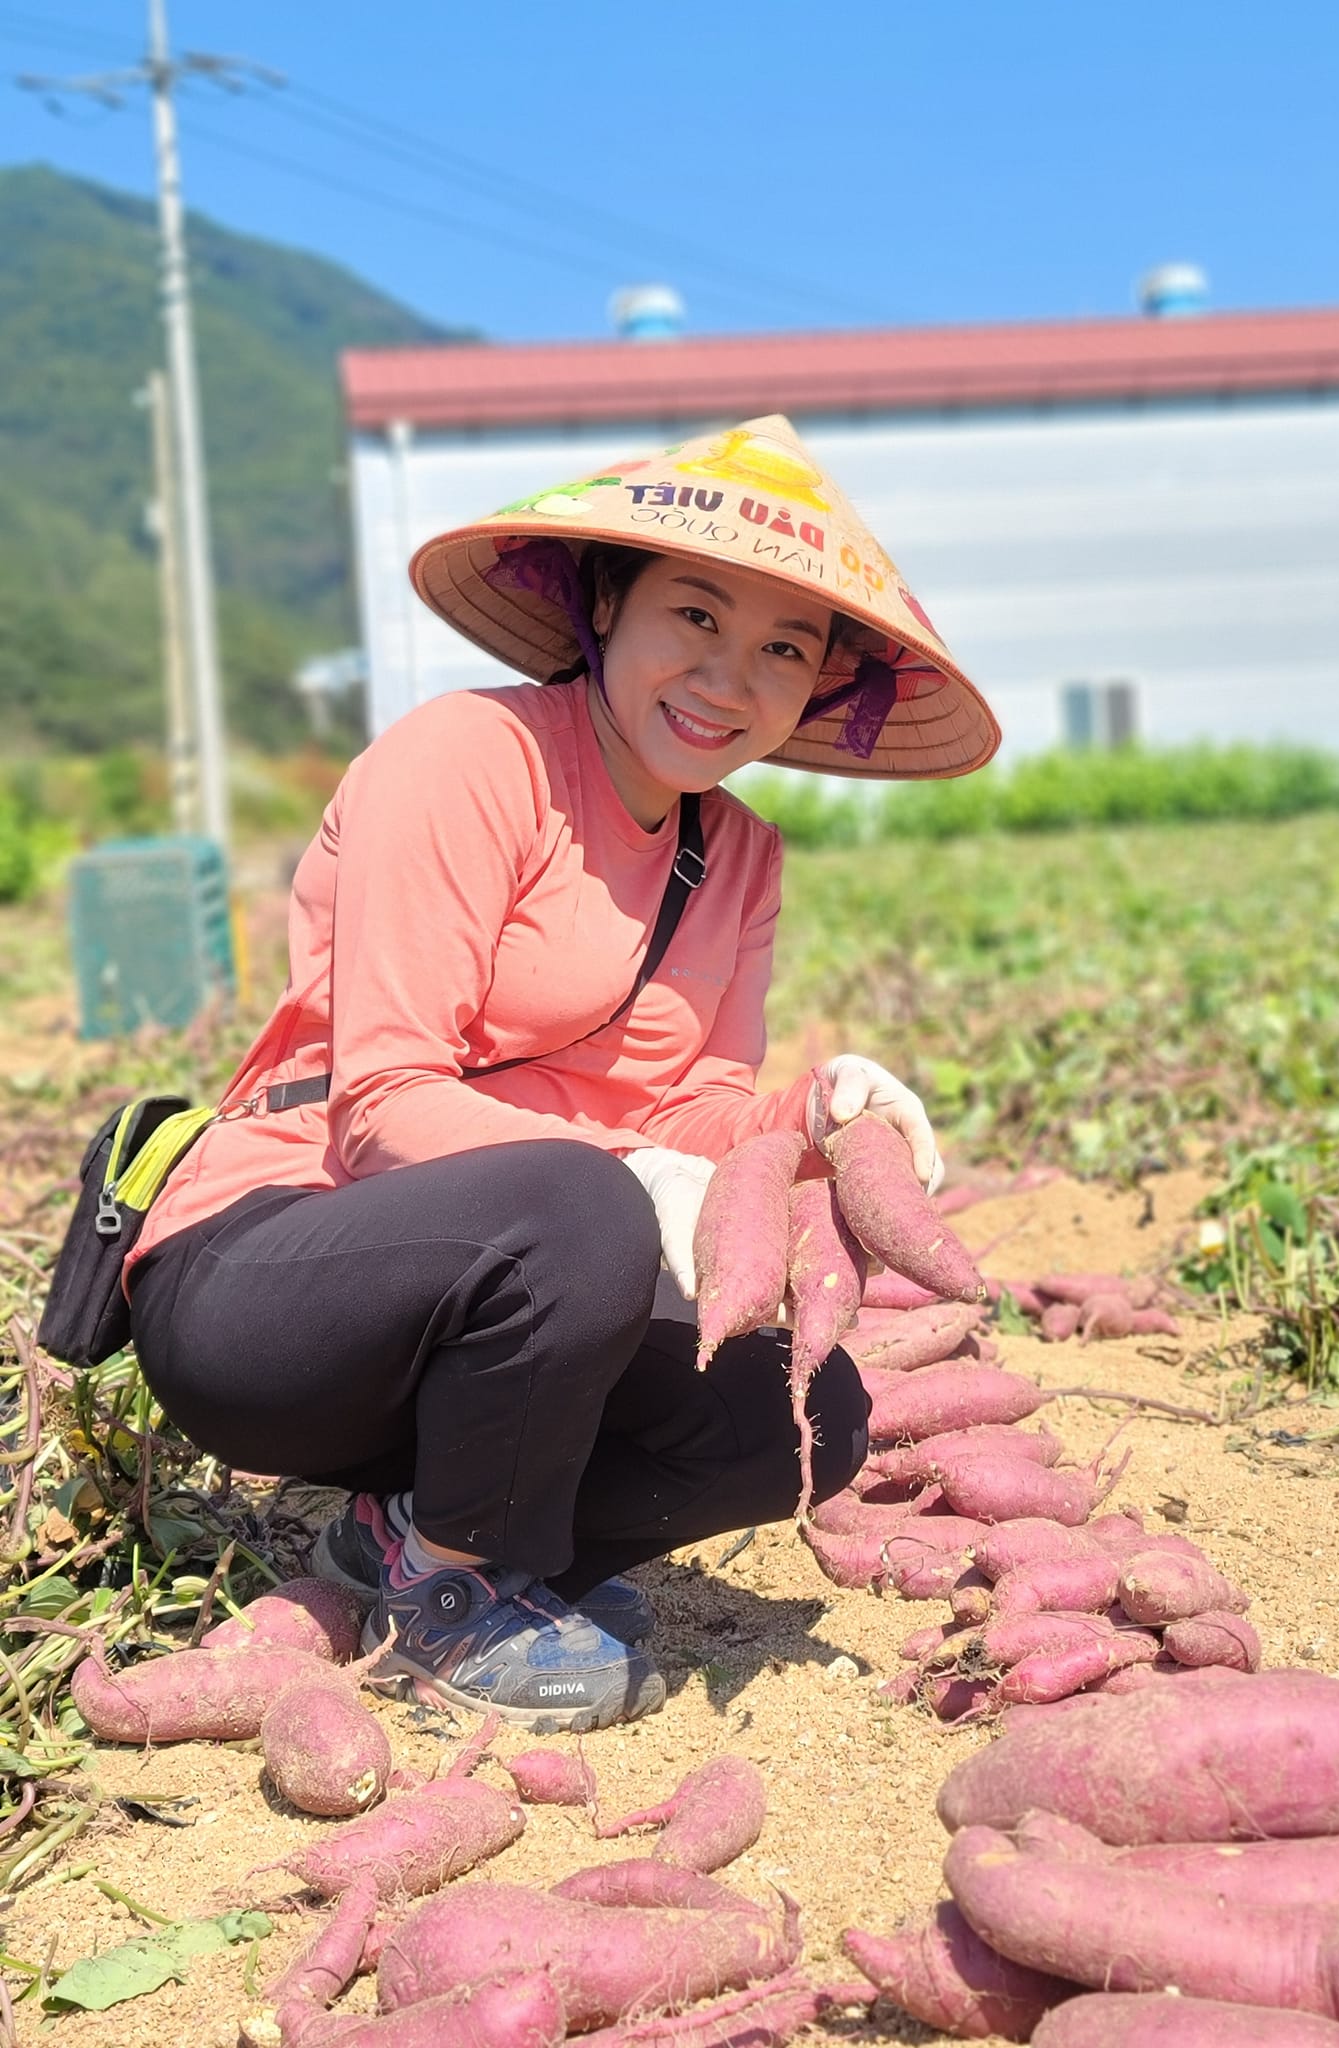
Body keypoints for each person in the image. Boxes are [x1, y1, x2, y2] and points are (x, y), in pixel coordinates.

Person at [125, 414, 1000, 1733]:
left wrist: (819, 1119)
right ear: (605, 601)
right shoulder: (467, 761)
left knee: (800, 1415)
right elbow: (382, 1108)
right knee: (581, 1206)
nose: (729, 675)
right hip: (269, 1275)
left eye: (783, 648)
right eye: (695, 617)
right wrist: (628, 1180)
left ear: (818, 683)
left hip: (498, 1303)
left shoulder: (742, 856)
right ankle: (455, 1594)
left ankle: (405, 1534)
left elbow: (686, 1111)